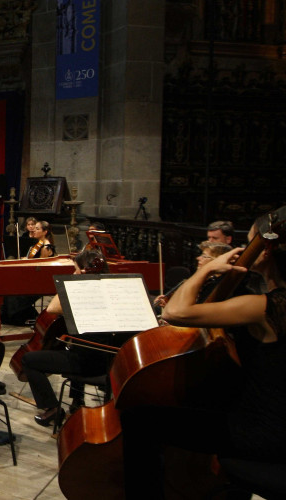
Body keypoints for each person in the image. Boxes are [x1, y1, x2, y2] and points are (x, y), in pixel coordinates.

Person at [122, 211, 286, 498]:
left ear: (265, 249)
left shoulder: (263, 307)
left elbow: (175, 312)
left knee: (140, 419)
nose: (243, 252)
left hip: (265, 432)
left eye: (249, 245)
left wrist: (207, 269)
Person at [20, 248, 135, 427]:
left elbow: (52, 309)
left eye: (76, 270)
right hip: (113, 361)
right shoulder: (116, 290)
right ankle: (76, 401)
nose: (73, 273)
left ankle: (52, 408)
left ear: (84, 271)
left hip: (88, 362)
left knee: (28, 360)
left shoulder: (83, 295)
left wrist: (70, 282)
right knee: (73, 345)